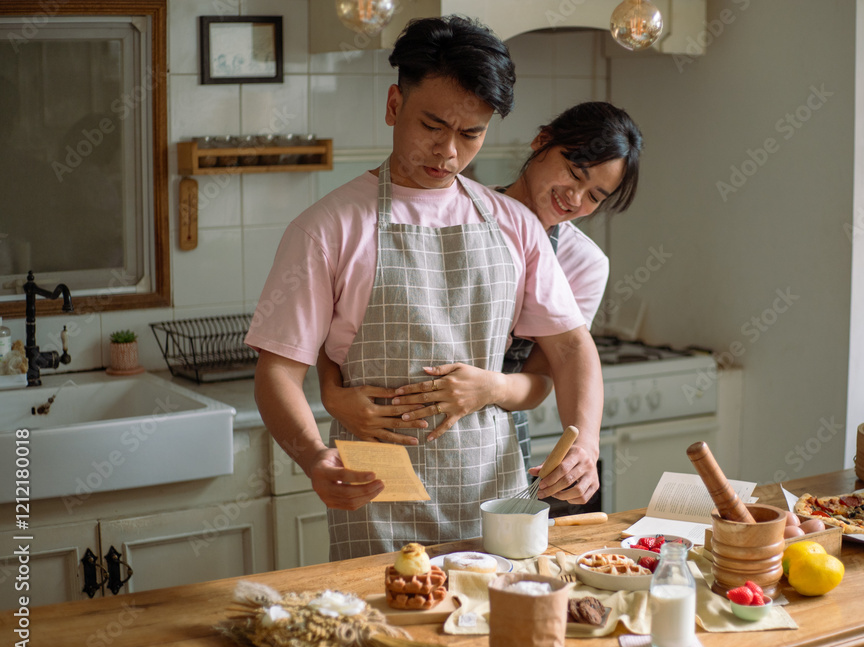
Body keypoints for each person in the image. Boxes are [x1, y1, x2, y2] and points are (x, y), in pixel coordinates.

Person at [245, 16, 604, 561]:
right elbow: (276, 372)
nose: (449, 153)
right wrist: (314, 457)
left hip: (495, 495)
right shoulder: (328, 227)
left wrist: (586, 441)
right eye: (432, 126)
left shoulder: (516, 224)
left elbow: (572, 347)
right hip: (378, 496)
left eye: (471, 134)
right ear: (394, 106)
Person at [320, 101, 643, 475]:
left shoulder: (584, 263)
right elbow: (344, 319)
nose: (574, 198)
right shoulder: (455, 210)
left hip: (489, 437)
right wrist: (332, 394)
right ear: (542, 141)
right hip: (387, 425)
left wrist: (491, 389)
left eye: (594, 197)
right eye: (574, 173)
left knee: (494, 533)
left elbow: (548, 374)